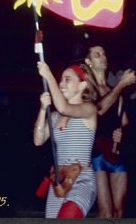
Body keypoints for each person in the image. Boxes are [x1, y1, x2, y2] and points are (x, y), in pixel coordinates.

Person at [33, 61, 99, 218]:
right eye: (60, 79)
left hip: (82, 179)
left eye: (67, 80)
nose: (61, 84)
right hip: (60, 180)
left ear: (82, 85)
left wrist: (48, 75)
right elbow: (38, 140)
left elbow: (64, 107)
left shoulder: (89, 109)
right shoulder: (55, 116)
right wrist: (43, 110)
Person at [83, 45, 136, 218]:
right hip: (96, 155)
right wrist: (121, 84)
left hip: (115, 154)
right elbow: (98, 109)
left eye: (104, 53)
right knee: (106, 212)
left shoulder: (115, 91)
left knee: (119, 210)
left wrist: (123, 133)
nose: (103, 56)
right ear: (88, 62)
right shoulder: (86, 90)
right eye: (97, 54)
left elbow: (125, 123)